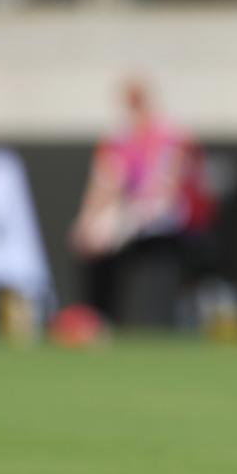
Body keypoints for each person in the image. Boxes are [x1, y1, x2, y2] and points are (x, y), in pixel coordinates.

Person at [69, 76, 216, 325]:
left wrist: (132, 215)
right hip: (133, 213)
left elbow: (169, 188)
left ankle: (158, 319)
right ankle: (98, 317)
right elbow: (106, 184)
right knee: (96, 237)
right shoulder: (118, 139)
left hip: (167, 216)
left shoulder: (171, 135)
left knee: (130, 223)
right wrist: (88, 221)